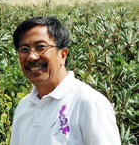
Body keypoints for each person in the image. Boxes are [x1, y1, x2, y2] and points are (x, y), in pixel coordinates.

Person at [10, 17, 121, 145]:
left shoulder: (89, 103)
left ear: (62, 55)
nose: (32, 56)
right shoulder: (24, 107)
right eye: (24, 49)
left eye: (40, 47)